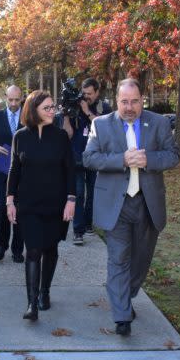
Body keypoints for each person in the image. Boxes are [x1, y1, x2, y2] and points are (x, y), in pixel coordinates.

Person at [83, 78, 180, 336]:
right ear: (116, 101)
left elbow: (173, 156)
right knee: (118, 259)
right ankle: (122, 316)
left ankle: (127, 293)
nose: (129, 107)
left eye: (134, 101)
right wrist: (121, 160)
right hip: (116, 204)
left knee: (140, 260)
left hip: (148, 203)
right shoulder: (100, 125)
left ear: (142, 100)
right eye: (124, 102)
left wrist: (149, 159)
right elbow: (89, 158)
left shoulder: (158, 123)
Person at [7, 91, 75, 321]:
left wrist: (71, 200)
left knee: (50, 249)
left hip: (55, 205)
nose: (51, 111)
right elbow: (14, 171)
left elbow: (70, 171)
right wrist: (9, 201)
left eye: (52, 107)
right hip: (28, 205)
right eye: (46, 107)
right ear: (33, 109)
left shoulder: (60, 136)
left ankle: (45, 291)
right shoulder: (20, 137)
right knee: (33, 250)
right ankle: (31, 303)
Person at [61, 78, 112, 244]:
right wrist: (67, 116)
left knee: (93, 193)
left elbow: (105, 130)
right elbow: (67, 134)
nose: (86, 97)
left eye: (90, 94)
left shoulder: (103, 108)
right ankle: (78, 231)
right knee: (78, 194)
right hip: (76, 158)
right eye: (84, 93)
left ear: (97, 92)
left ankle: (88, 224)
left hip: (96, 157)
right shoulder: (75, 106)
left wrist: (87, 111)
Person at [0, 85, 25, 263]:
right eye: (11, 99)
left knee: (20, 208)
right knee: (2, 207)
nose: (14, 103)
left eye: (17, 100)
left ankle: (18, 248)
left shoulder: (28, 116)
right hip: (2, 170)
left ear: (22, 98)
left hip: (24, 171)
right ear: (5, 97)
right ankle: (0, 245)